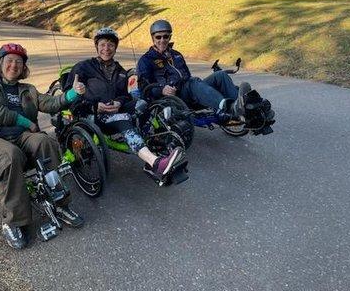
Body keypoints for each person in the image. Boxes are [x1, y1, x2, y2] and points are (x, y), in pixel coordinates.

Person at [0, 43, 86, 249]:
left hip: (22, 137)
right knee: (11, 155)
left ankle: (60, 204)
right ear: (0, 63)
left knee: (45, 142)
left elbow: (49, 103)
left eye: (19, 62)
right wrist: (25, 122)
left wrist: (71, 95)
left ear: (23, 68)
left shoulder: (27, 89)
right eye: (9, 61)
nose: (14, 65)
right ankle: (14, 222)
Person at [64, 27, 186, 180]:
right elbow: (69, 95)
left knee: (142, 105)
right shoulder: (84, 67)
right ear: (97, 46)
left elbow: (125, 96)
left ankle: (155, 148)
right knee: (123, 120)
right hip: (92, 114)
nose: (106, 49)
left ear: (115, 47)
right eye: (102, 45)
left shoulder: (119, 71)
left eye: (110, 45)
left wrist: (118, 102)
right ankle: (155, 163)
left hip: (114, 110)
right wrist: (92, 104)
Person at [136, 19, 274, 128]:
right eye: (158, 37)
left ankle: (247, 107)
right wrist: (162, 89)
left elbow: (186, 76)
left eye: (165, 36)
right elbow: (144, 88)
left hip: (188, 91)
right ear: (152, 38)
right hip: (171, 99)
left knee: (220, 75)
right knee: (193, 82)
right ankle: (227, 107)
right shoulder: (146, 60)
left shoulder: (176, 55)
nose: (162, 40)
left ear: (170, 36)